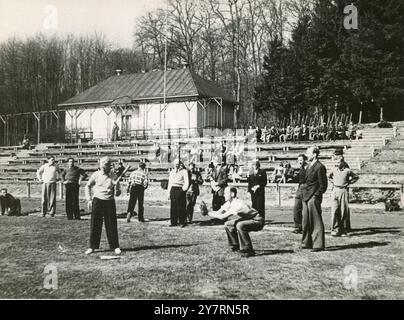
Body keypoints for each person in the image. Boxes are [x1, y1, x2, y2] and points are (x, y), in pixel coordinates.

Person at [207, 187, 263, 258]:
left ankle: (248, 250)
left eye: (226, 193)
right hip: (248, 219)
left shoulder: (238, 204)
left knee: (240, 225)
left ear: (232, 194)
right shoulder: (229, 203)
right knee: (228, 224)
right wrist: (208, 211)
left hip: (257, 220)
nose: (224, 195)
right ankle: (235, 246)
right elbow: (218, 213)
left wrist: (207, 213)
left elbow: (222, 217)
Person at [85, 157, 121, 255]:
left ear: (109, 166)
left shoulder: (114, 176)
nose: (104, 168)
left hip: (109, 202)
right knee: (95, 224)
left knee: (111, 225)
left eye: (106, 166)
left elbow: (118, 193)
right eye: (102, 166)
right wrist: (89, 200)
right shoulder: (96, 175)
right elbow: (87, 186)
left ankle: (115, 246)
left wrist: (117, 189)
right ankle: (92, 246)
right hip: (97, 201)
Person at [301, 146, 328, 252]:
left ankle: (318, 244)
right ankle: (306, 242)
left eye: (308, 153)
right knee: (305, 221)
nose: (307, 155)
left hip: (313, 197)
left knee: (316, 221)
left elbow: (323, 185)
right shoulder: (308, 166)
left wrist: (316, 195)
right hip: (306, 196)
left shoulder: (319, 167)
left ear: (314, 154)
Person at [329, 158, 358, 237]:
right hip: (335, 190)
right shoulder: (334, 170)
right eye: (336, 163)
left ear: (342, 162)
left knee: (343, 210)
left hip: (343, 190)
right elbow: (329, 176)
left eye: (339, 162)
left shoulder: (347, 171)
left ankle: (343, 230)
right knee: (334, 210)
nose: (337, 164)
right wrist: (333, 182)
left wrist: (349, 182)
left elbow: (355, 177)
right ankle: (334, 229)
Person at [167, 159, 189, 227]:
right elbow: (170, 183)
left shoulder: (184, 171)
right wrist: (168, 193)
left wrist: (183, 189)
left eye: (178, 164)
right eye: (175, 164)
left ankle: (182, 222)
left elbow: (186, 182)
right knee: (173, 207)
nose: (176, 165)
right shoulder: (172, 172)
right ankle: (173, 222)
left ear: (180, 164)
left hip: (180, 188)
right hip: (173, 189)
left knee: (181, 206)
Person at [292, 154, 308, 234]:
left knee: (305, 211)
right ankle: (298, 227)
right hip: (300, 189)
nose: (299, 162)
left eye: (301, 160)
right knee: (296, 209)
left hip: (307, 190)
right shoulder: (300, 168)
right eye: (298, 160)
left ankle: (306, 227)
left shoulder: (309, 168)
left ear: (305, 160)